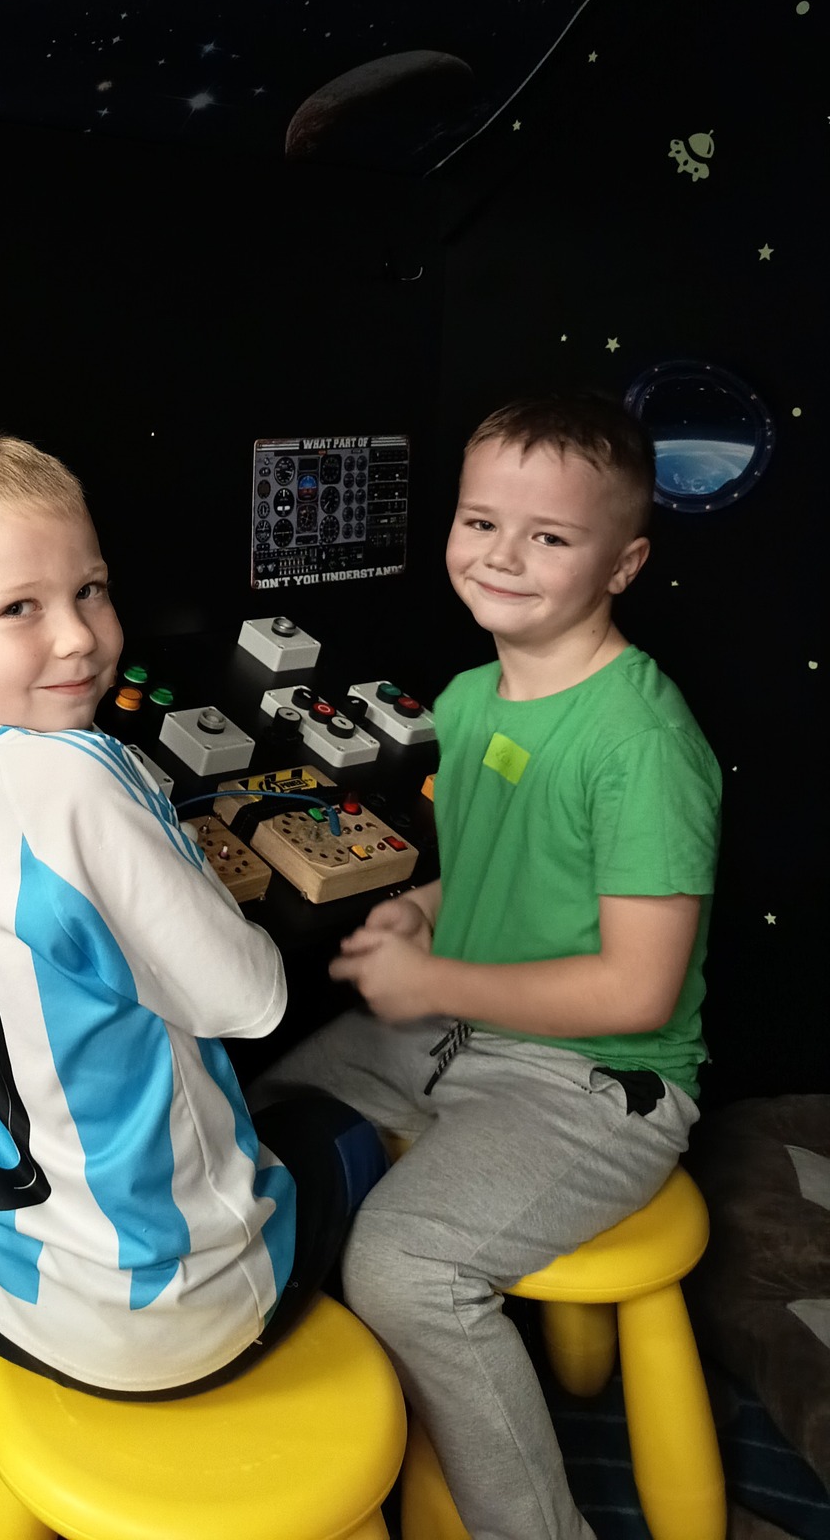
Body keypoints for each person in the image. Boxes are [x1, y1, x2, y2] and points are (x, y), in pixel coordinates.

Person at [0, 428, 385, 1540]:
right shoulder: (87, 780)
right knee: (342, 1128)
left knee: (33, 1326)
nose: (79, 637)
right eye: (21, 608)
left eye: (89, 589)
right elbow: (254, 999)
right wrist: (177, 865)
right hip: (168, 1324)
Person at [253, 393, 721, 1540]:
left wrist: (436, 983)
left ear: (625, 563)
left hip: (596, 1083)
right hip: (459, 1032)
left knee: (405, 1266)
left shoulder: (642, 743)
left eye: (549, 536)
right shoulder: (472, 698)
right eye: (481, 522)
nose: (503, 556)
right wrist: (419, 909)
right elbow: (499, 870)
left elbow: (638, 988)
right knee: (247, 1121)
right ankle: (329, 1434)